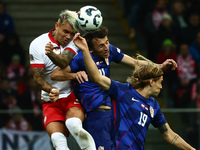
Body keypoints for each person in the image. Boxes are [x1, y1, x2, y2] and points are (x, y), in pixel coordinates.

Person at [50, 25, 177, 150]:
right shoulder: (81, 58)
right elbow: (55, 74)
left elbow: (134, 62)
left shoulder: (109, 51)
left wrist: (159, 66)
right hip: (96, 114)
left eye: (107, 42)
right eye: (101, 45)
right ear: (91, 50)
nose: (106, 48)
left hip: (112, 113)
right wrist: (74, 75)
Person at [72, 33, 196, 150]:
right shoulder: (122, 91)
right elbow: (97, 77)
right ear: (151, 82)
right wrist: (84, 50)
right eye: (160, 82)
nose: (162, 87)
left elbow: (169, 134)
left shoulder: (154, 106)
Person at [29, 9, 96, 150]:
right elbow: (37, 77)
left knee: (74, 125)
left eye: (72, 33)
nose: (68, 36)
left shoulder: (73, 41)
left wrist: (51, 54)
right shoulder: (37, 44)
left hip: (72, 95)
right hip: (50, 100)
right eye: (66, 31)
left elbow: (63, 61)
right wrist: (50, 89)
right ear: (57, 25)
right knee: (58, 141)